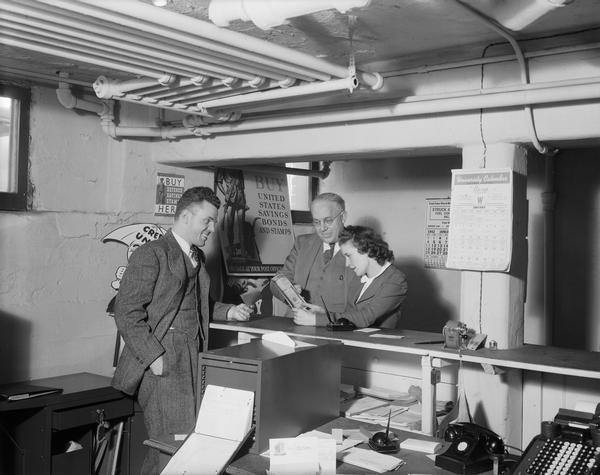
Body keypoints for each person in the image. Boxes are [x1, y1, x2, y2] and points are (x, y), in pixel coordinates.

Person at [111, 186, 252, 475]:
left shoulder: (195, 257)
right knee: (171, 447)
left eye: (214, 222)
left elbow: (198, 305)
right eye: (207, 221)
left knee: (185, 444)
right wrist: (155, 359)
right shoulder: (152, 254)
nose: (212, 229)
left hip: (191, 360)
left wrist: (229, 311)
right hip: (164, 361)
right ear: (186, 216)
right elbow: (127, 312)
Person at [293, 225, 408, 328]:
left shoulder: (396, 280)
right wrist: (323, 312)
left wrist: (315, 320)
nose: (347, 264)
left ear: (366, 250)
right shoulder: (358, 277)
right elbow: (350, 314)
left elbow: (365, 317)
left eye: (349, 256)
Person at [270, 192, 357, 314]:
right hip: (296, 324)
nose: (322, 228)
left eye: (328, 221)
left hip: (338, 328)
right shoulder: (302, 243)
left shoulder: (361, 247)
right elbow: (276, 282)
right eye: (316, 222)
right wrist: (289, 292)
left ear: (343, 217)